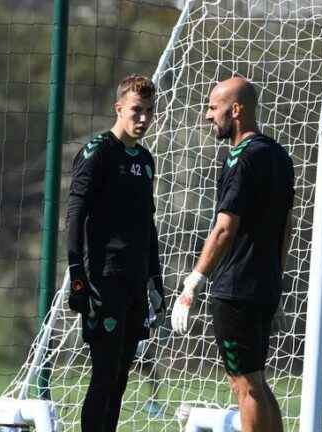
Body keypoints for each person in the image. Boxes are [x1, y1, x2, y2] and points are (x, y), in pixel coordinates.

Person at [171, 77, 294, 432]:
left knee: (245, 385)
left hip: (236, 289)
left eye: (213, 107)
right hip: (265, 285)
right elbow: (288, 226)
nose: (207, 115)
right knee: (256, 381)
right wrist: (275, 274)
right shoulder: (278, 155)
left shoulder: (242, 158)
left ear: (236, 110)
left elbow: (225, 227)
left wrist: (193, 281)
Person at [66, 74, 165, 431]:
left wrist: (156, 280)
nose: (143, 119)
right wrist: (77, 273)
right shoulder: (98, 152)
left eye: (149, 112)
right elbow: (75, 213)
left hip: (135, 283)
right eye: (137, 110)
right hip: (103, 281)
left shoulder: (146, 160)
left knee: (121, 379)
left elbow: (147, 226)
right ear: (119, 108)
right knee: (104, 375)